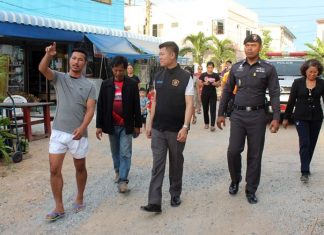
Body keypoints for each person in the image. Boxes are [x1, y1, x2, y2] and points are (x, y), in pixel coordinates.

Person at [216, 34, 280, 204]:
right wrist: (220, 113)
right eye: (247, 45)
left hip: (258, 116)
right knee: (233, 151)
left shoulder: (268, 68)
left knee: (255, 154)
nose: (250, 48)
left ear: (260, 47)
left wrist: (276, 117)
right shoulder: (236, 68)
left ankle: (251, 189)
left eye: (253, 45)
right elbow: (227, 91)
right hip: (237, 115)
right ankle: (235, 179)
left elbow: (274, 93)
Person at [39, 42, 96, 221]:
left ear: (84, 63)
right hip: (58, 132)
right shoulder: (59, 78)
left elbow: (90, 110)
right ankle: (59, 207)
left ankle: (79, 196)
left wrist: (82, 128)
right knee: (54, 169)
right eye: (73, 58)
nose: (76, 62)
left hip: (78, 134)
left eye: (80, 60)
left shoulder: (89, 86)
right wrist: (49, 55)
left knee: (80, 167)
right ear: (69, 60)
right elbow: (42, 68)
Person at [140, 41, 194, 213]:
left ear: (172, 55)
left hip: (176, 129)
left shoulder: (186, 77)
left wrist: (185, 127)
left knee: (176, 162)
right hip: (158, 129)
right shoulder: (158, 75)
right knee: (157, 164)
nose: (160, 57)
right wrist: (149, 122)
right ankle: (154, 201)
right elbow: (154, 101)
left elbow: (189, 104)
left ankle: (175, 193)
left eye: (162, 54)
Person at [96, 56, 142, 193]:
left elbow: (136, 106)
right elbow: (101, 106)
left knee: (125, 153)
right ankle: (117, 170)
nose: (118, 73)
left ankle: (123, 180)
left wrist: (138, 125)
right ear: (112, 69)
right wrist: (99, 126)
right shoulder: (106, 84)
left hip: (126, 125)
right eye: (115, 70)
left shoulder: (132, 84)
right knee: (115, 152)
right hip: (111, 125)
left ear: (125, 69)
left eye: (121, 70)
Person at [282, 59, 324, 183]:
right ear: (305, 71)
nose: (312, 74)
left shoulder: (322, 83)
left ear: (318, 72)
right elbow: (291, 101)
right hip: (300, 117)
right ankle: (304, 171)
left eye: (315, 72)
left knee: (312, 143)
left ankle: (306, 164)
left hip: (316, 118)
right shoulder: (297, 83)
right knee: (305, 142)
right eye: (310, 72)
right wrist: (286, 118)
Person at [199, 61, 221, 131]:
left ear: (213, 68)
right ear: (207, 67)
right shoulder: (203, 75)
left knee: (213, 109)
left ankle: (212, 125)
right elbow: (199, 84)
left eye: (211, 67)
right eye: (208, 67)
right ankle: (206, 123)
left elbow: (219, 84)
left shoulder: (216, 75)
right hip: (204, 94)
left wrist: (216, 84)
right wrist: (203, 83)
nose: (210, 69)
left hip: (213, 94)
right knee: (205, 109)